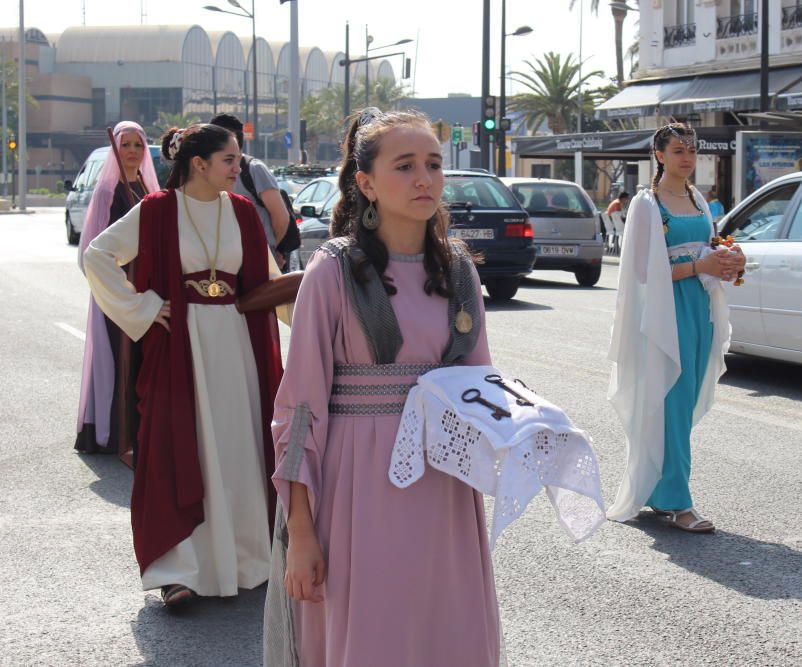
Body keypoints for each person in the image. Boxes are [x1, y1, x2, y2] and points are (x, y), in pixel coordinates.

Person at [262, 108, 500, 666]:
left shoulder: (460, 270)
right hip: (358, 489)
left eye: (434, 164)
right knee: (373, 636)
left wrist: (528, 423)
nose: (424, 178)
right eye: (405, 165)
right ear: (365, 182)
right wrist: (301, 533)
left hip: (443, 491)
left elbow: (480, 389)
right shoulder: (332, 271)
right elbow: (298, 412)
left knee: (444, 632)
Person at [83, 123, 285, 607]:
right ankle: (181, 570)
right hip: (181, 346)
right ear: (200, 163)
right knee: (180, 446)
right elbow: (98, 256)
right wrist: (145, 309)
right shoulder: (156, 211)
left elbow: (270, 280)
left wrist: (324, 320)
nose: (240, 169)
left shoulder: (240, 212)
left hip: (237, 346)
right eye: (230, 160)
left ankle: (243, 559)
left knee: (236, 446)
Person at [606, 122, 745, 533]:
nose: (687, 158)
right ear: (659, 155)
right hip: (664, 314)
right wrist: (698, 266)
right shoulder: (647, 205)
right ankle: (679, 503)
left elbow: (711, 248)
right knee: (672, 400)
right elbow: (641, 273)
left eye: (692, 151)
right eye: (679, 150)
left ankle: (659, 489)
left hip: (699, 309)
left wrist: (730, 260)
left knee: (679, 405)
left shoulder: (698, 200)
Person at [75, 121, 160, 460]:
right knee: (118, 357)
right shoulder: (108, 191)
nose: (133, 152)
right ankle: (114, 433)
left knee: (142, 358)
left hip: (145, 289)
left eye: (139, 145)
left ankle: (142, 428)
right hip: (118, 291)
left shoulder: (148, 190)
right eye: (126, 144)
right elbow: (91, 251)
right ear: (115, 149)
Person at [209, 113, 291, 268]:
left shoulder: (254, 169)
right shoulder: (208, 171)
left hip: (256, 263)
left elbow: (281, 217)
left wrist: (267, 247)